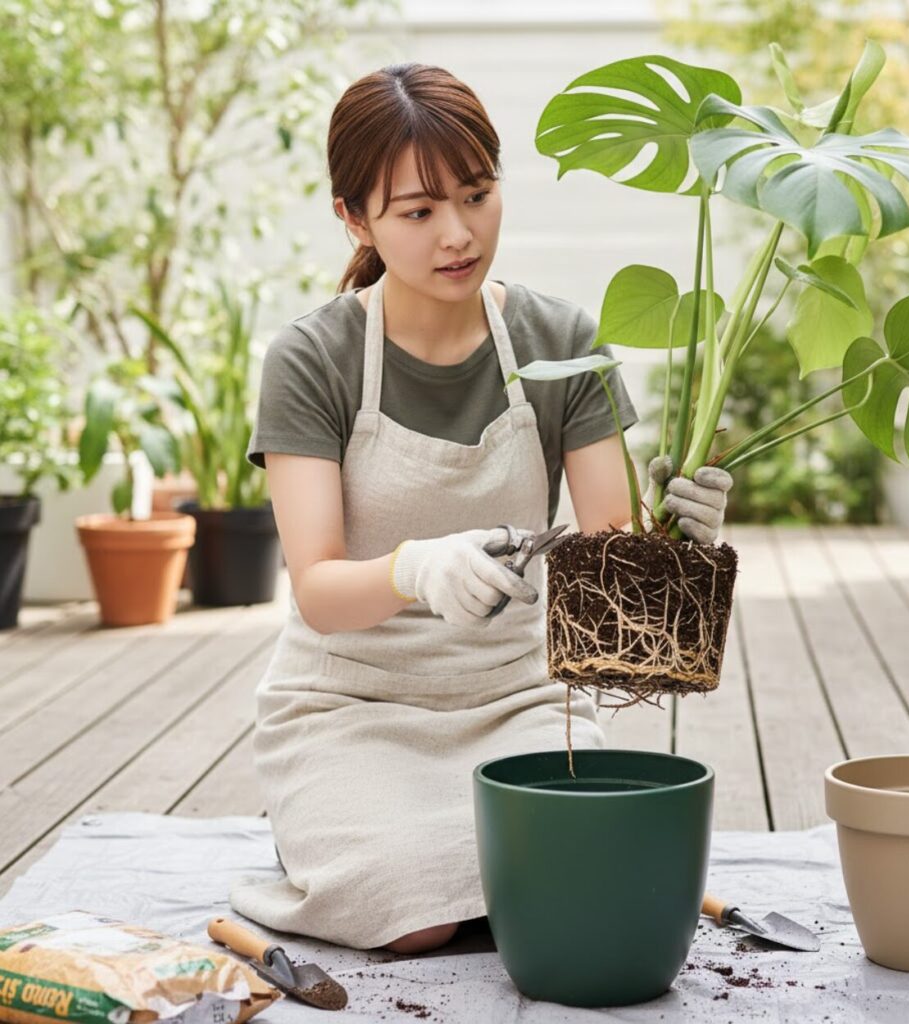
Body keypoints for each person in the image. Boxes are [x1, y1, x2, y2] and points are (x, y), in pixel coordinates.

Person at [228, 62, 732, 956]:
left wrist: (682, 537)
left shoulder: (561, 340)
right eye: (418, 213)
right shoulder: (315, 357)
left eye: (477, 194)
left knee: (599, 881)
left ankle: (374, 852)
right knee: (417, 914)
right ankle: (327, 834)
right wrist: (415, 568)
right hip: (349, 702)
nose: (458, 235)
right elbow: (317, 592)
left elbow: (609, 554)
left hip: (520, 698)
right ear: (356, 218)